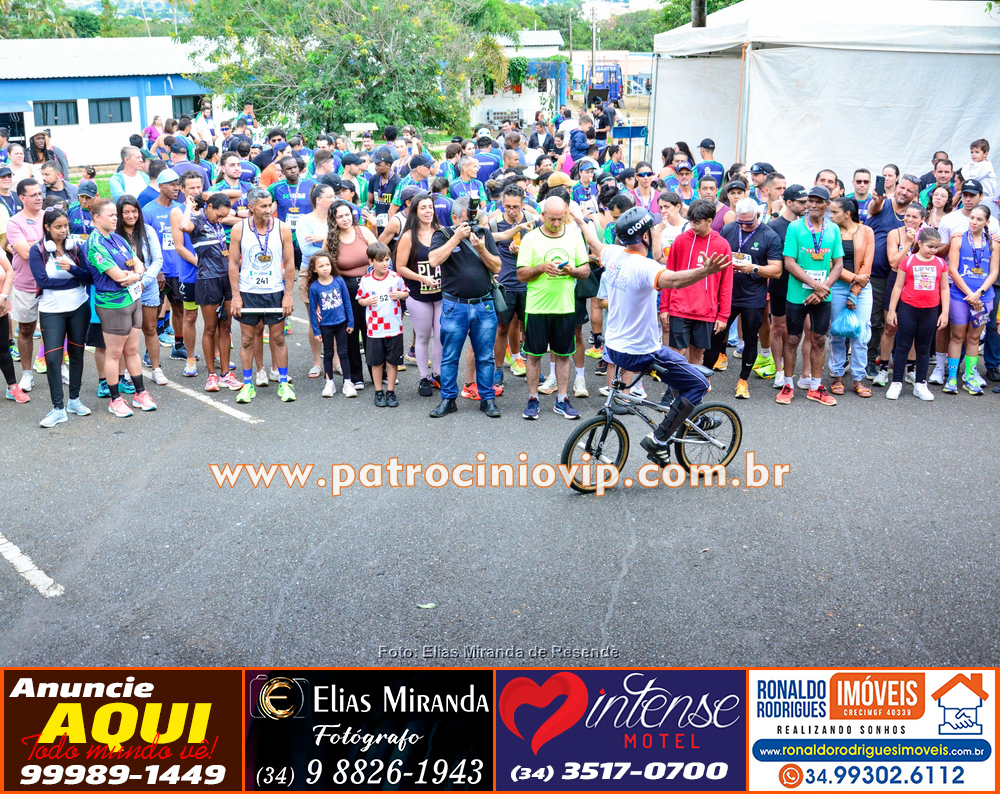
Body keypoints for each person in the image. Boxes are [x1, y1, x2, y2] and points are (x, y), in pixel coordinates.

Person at [574, 205, 730, 464]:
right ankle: (659, 440)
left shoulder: (613, 254)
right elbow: (675, 280)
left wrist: (581, 221)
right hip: (640, 352)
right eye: (652, 229)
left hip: (614, 348)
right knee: (699, 383)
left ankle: (690, 417)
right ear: (645, 236)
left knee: (678, 368)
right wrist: (706, 271)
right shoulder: (644, 266)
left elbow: (593, 241)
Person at [426, 196, 502, 418]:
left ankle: (487, 399)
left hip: (483, 305)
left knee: (485, 356)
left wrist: (482, 249)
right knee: (450, 356)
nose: (471, 224)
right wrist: (456, 238)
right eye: (466, 220)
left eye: (473, 219)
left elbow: (497, 266)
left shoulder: (484, 233)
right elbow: (434, 260)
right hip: (454, 306)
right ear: (454, 218)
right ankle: (448, 399)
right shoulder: (442, 235)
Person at [516, 196, 590, 420]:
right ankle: (533, 399)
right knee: (533, 356)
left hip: (565, 307)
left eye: (560, 219)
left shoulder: (574, 236)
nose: (557, 223)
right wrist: (541, 268)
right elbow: (521, 275)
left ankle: (562, 399)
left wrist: (572, 271)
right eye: (552, 219)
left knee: (564, 355)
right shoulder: (531, 238)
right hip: (537, 308)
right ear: (543, 216)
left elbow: (585, 270)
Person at [84, 198, 156, 417]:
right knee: (114, 353)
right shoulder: (95, 244)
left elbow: (138, 262)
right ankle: (115, 399)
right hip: (113, 304)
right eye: (111, 215)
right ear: (96, 218)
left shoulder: (117, 238)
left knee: (132, 350)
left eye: (115, 215)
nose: (115, 218)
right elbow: (118, 277)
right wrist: (135, 275)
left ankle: (140, 393)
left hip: (133, 299)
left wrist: (135, 275)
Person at [777, 185, 843, 407]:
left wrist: (823, 288)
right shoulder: (795, 227)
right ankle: (788, 384)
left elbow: (838, 264)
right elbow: (789, 262)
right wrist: (816, 285)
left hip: (823, 294)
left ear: (827, 205)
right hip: (798, 293)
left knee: (819, 339)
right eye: (810, 201)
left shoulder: (833, 229)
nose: (813, 205)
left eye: (818, 201)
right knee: (792, 339)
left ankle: (816, 387)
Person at [229, 188, 296, 404]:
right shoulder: (239, 229)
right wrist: (236, 296)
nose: (269, 210)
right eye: (263, 206)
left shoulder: (282, 228)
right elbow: (233, 264)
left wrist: (288, 294)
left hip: (274, 291)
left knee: (278, 338)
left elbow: (290, 263)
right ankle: (248, 385)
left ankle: (284, 383)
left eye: (270, 205)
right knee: (247, 339)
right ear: (251, 207)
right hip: (248, 292)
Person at [27, 208, 92, 425]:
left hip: (79, 307)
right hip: (51, 311)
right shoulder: (38, 250)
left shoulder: (75, 248)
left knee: (76, 354)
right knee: (53, 359)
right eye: (58, 227)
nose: (63, 230)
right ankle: (58, 408)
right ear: (47, 227)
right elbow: (43, 282)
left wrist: (73, 269)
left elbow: (89, 277)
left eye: (65, 226)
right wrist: (75, 282)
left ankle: (74, 400)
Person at [714, 197, 783, 399]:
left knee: (750, 337)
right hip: (728, 292)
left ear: (758, 216)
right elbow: (717, 254)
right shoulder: (729, 229)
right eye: (740, 222)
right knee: (715, 333)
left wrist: (753, 268)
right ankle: (709, 373)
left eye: (748, 223)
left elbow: (777, 270)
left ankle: (743, 381)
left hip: (753, 294)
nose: (743, 226)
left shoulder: (769, 235)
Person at [662, 199, 734, 368]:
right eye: (691, 221)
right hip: (679, 307)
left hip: (705, 310)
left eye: (697, 222)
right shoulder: (680, 241)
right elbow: (669, 275)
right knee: (677, 353)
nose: (692, 226)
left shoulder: (722, 245)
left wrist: (723, 315)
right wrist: (664, 307)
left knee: (696, 354)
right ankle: (677, 385)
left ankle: (694, 386)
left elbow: (726, 283)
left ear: (709, 221)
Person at [176, 192, 236, 392]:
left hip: (226, 279)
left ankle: (226, 375)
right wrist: (188, 206)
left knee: (226, 328)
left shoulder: (217, 224)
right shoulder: (198, 223)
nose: (221, 220)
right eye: (219, 215)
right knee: (210, 328)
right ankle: (211, 376)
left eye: (223, 217)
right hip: (207, 280)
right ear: (209, 207)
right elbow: (183, 227)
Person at [864, 172, 918, 377]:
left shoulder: (914, 215)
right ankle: (871, 360)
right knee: (875, 320)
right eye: (901, 187)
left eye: (909, 190)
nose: (904, 192)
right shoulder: (882, 204)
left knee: (900, 321)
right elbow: (874, 206)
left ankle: (895, 360)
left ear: (915, 195)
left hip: (904, 277)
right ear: (896, 186)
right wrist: (877, 200)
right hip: (877, 275)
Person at [885, 228, 949, 401]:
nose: (933, 251)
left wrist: (945, 312)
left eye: (936, 247)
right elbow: (898, 286)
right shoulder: (908, 261)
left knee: (923, 347)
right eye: (930, 246)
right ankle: (896, 382)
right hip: (908, 309)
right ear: (919, 243)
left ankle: (920, 383)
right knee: (903, 345)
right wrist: (892, 310)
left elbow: (944, 288)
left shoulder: (940, 263)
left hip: (930, 310)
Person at [944, 205, 999, 394]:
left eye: (979, 219)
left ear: (987, 222)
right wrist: (970, 294)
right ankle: (952, 378)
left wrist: (979, 294)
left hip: (984, 299)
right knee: (957, 336)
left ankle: (970, 377)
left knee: (974, 338)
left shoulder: (994, 243)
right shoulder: (958, 238)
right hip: (960, 296)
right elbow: (953, 269)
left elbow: (994, 272)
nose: (974, 222)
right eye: (972, 218)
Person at [872, 201, 927, 386]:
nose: (909, 219)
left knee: (912, 330)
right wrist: (909, 243)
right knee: (890, 327)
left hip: (917, 283)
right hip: (895, 280)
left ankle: (910, 369)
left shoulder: (926, 235)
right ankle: (883, 369)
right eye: (907, 215)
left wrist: (917, 242)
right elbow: (894, 263)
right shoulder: (894, 233)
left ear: (922, 219)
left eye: (914, 217)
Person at [325, 198, 378, 392]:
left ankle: (379, 374)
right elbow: (325, 267)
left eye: (347, 214)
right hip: (346, 289)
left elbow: (380, 255)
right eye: (340, 216)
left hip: (370, 285)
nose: (345, 219)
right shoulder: (331, 240)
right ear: (334, 219)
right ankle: (356, 377)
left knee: (373, 331)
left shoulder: (363, 231)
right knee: (351, 332)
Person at [395, 192, 444, 397]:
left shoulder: (441, 231)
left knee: (441, 336)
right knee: (423, 337)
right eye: (423, 207)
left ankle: (438, 375)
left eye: (430, 207)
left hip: (442, 295)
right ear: (415, 211)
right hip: (418, 295)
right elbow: (400, 267)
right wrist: (421, 278)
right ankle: (424, 377)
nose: (428, 211)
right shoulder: (408, 236)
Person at [115, 195, 167, 387]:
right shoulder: (114, 234)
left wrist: (143, 282)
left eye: (134, 211)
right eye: (126, 212)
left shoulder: (148, 231)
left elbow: (157, 260)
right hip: (123, 287)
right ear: (119, 214)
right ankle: (127, 371)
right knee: (126, 332)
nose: (131, 215)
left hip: (147, 286)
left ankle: (156, 369)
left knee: (150, 328)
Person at [827, 197, 875, 397]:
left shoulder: (866, 231)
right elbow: (830, 262)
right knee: (837, 332)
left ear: (847, 213)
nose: (830, 216)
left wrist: (855, 291)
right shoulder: (830, 232)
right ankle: (837, 375)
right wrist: (853, 278)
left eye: (834, 212)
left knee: (861, 334)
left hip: (862, 288)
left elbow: (867, 263)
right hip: (837, 285)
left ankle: (858, 378)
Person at [356, 242, 407, 407]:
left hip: (394, 327)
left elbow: (406, 293)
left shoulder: (396, 277)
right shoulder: (366, 280)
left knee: (393, 362)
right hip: (375, 329)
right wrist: (366, 301)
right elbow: (360, 299)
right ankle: (378, 391)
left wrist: (400, 295)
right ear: (371, 261)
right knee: (376, 362)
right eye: (380, 260)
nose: (385, 263)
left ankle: (390, 391)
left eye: (387, 259)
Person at [7, 178, 45, 392]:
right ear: (22, 198)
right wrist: (45, 243)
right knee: (27, 329)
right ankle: (27, 373)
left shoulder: (49, 216)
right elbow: (23, 253)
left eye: (40, 193)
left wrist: (32, 244)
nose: (39, 198)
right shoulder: (14, 222)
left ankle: (59, 368)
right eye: (34, 195)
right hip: (25, 283)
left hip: (52, 283)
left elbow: (60, 244)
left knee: (55, 329)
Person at [296, 182, 336, 378]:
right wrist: (329, 242)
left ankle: (336, 361)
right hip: (310, 273)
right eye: (330, 196)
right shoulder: (304, 221)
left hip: (334, 273)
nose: (334, 199)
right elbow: (307, 250)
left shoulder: (335, 218)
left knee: (336, 318)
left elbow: (343, 242)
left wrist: (322, 238)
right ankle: (317, 362)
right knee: (315, 319)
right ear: (319, 199)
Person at [308, 250, 356, 397]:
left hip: (342, 323)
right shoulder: (314, 287)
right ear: (314, 269)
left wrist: (351, 322)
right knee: (328, 353)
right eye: (321, 266)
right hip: (326, 326)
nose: (325, 268)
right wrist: (316, 331)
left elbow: (347, 302)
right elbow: (312, 311)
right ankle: (329, 383)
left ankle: (348, 382)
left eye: (327, 264)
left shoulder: (339, 281)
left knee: (343, 353)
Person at [0, 248, 26, 403]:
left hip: (0, 307)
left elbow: (9, 271)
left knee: (3, 349)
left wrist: (3, 296)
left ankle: (12, 387)